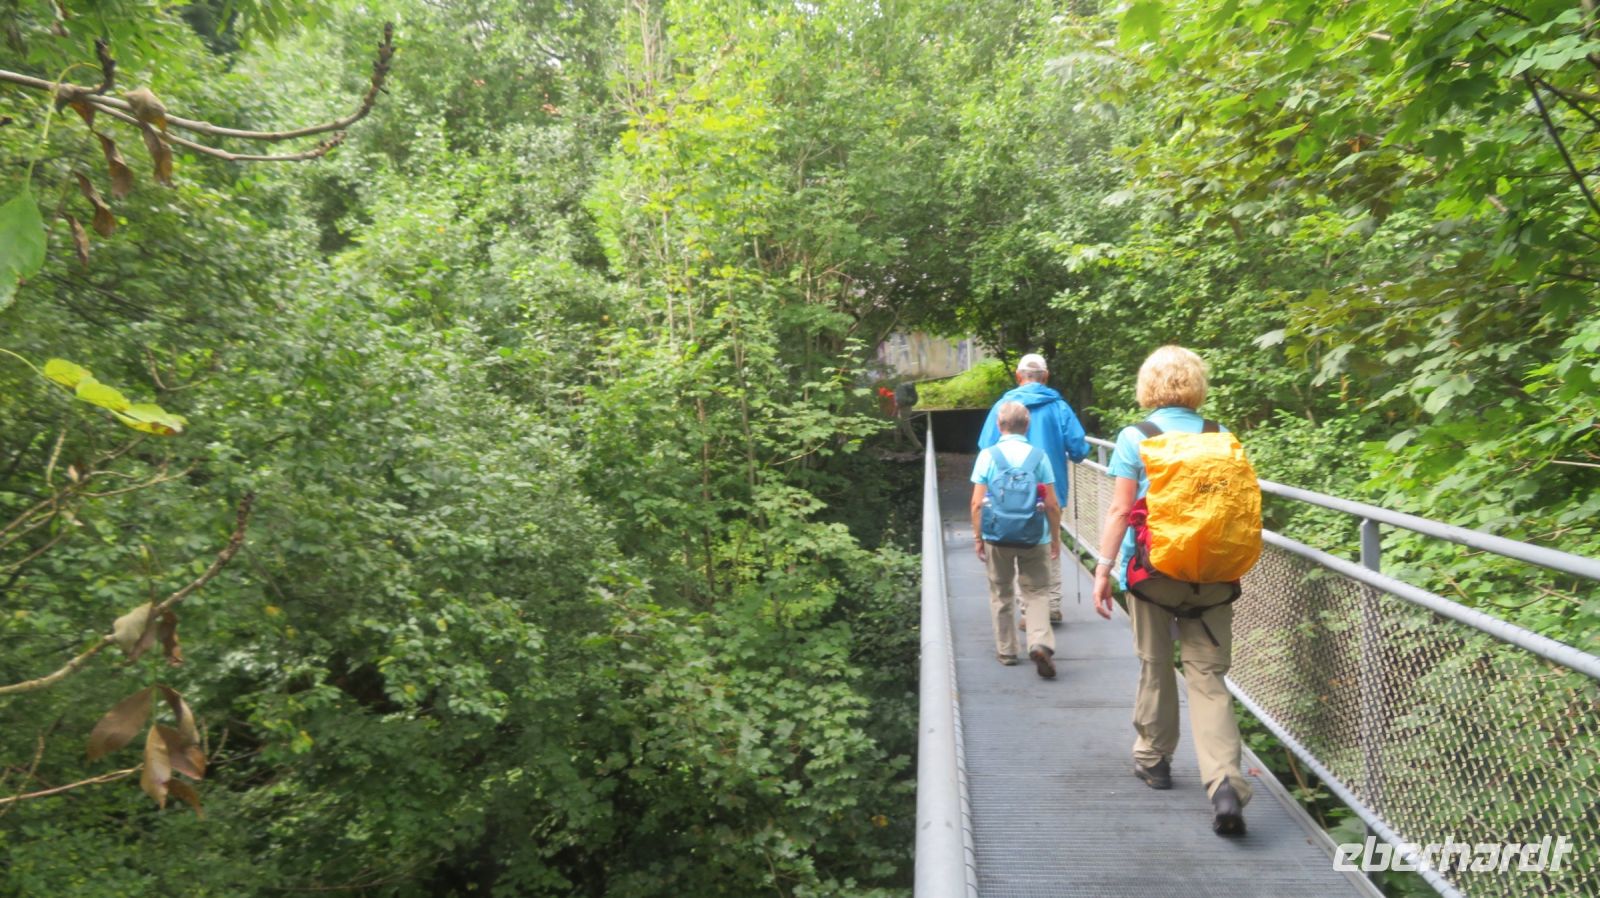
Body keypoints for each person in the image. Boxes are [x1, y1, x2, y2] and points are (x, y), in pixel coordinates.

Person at [1090, 345, 1252, 836]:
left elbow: (1120, 512)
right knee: (1208, 679)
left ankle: (1155, 760)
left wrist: (1101, 569)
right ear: (1196, 385)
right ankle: (1225, 784)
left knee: (1156, 666)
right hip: (1213, 578)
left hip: (1153, 576)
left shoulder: (1135, 438)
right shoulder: (1221, 436)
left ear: (1148, 387)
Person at [977, 354, 1090, 625]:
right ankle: (1049, 606)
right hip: (1049, 490)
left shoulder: (1002, 407)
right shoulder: (1059, 407)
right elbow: (1079, 450)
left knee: (1012, 538)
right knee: (1049, 543)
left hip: (1006, 492)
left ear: (1018, 376)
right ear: (1046, 376)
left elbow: (985, 447)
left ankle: (1027, 610)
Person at [970, 401, 1062, 678]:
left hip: (997, 535)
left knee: (1001, 592)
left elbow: (976, 503)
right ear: (1028, 426)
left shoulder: (988, 455)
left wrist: (978, 537)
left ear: (999, 426)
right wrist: (1055, 537)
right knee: (1036, 591)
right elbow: (1052, 504)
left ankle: (1007, 651)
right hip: (1035, 536)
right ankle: (1039, 642)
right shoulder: (1039, 456)